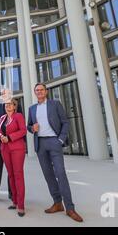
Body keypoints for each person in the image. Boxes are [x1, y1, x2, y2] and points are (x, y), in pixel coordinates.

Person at [27, 83, 84, 223]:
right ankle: (57, 203)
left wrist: (60, 139)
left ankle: (70, 208)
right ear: (35, 93)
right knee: (48, 175)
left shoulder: (55, 104)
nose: (39, 92)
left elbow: (65, 122)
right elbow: (29, 126)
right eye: (37, 90)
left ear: (46, 91)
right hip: (40, 144)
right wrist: (32, 128)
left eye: (41, 90)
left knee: (60, 173)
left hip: (54, 142)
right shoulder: (32, 109)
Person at [0, 89, 22, 201]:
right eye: (2, 94)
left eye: (6, 93)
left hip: (13, 143)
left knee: (11, 169)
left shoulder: (16, 106)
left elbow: (20, 125)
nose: (4, 95)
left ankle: (12, 193)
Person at [0, 98, 27, 217]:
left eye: (10, 104)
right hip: (5, 149)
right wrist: (1, 137)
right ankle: (14, 201)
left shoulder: (18, 116)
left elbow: (23, 131)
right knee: (10, 175)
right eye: (6, 104)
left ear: (15, 106)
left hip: (17, 148)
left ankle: (21, 205)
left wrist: (9, 137)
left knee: (18, 175)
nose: (8, 106)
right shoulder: (2, 118)